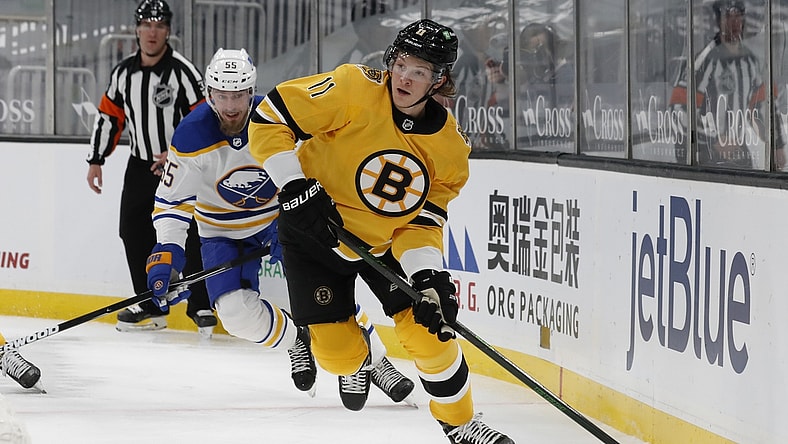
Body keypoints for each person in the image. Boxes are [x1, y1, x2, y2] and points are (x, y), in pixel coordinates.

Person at [248, 18, 514, 444]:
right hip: (314, 232)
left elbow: (422, 221)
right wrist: (295, 184)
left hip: (382, 241)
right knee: (336, 357)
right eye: (402, 64)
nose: (405, 77)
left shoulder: (449, 150)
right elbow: (268, 117)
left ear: (439, 80)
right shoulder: (352, 89)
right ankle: (368, 355)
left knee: (429, 334)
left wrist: (429, 278)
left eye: (420, 71)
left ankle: (461, 424)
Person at [146, 47, 413, 402]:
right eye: (222, 95)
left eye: (238, 94)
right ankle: (298, 339)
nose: (230, 105)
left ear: (251, 90)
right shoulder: (191, 134)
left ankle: (374, 360)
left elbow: (318, 158)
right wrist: (168, 249)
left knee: (326, 288)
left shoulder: (275, 114)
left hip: (282, 219)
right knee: (235, 315)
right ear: (208, 92)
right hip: (222, 231)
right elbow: (172, 200)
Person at [86, 0, 216, 334]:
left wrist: (175, 152)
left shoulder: (183, 73)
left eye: (159, 25)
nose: (152, 32)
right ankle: (151, 303)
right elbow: (109, 116)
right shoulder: (123, 73)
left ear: (168, 31)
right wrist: (97, 159)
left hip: (181, 167)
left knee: (190, 232)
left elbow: (204, 118)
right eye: (146, 25)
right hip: (140, 165)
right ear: (137, 30)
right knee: (133, 231)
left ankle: (199, 304)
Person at [669, 0, 786, 169]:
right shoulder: (704, 61)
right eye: (729, 17)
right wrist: (714, 139)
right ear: (719, 22)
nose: (735, 23)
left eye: (738, 17)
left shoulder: (751, 63)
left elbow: (763, 106)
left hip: (739, 153)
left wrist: (777, 144)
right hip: (706, 156)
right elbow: (679, 109)